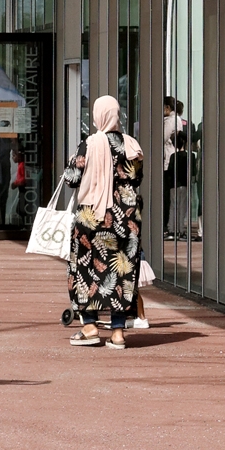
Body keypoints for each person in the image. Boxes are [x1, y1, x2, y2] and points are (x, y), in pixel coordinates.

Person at [63, 95, 143, 349]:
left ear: (99, 116)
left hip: (93, 217)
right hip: (126, 217)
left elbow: (71, 178)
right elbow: (136, 179)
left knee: (85, 268)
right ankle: (118, 333)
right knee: (122, 271)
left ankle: (89, 327)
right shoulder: (131, 144)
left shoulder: (90, 144)